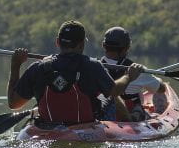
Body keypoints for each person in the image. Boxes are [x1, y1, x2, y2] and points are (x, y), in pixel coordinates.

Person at [8, 20, 144, 125]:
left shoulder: (37, 68)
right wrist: (128, 76)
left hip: (48, 126)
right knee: (108, 96)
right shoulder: (93, 66)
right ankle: (130, 121)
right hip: (85, 126)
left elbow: (14, 104)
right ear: (81, 45)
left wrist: (15, 66)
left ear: (57, 42)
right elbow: (114, 91)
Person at [100, 26, 165, 122]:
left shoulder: (94, 67)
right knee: (162, 91)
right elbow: (161, 89)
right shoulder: (138, 70)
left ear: (103, 45)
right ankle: (156, 114)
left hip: (104, 116)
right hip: (130, 118)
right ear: (126, 48)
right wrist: (159, 81)